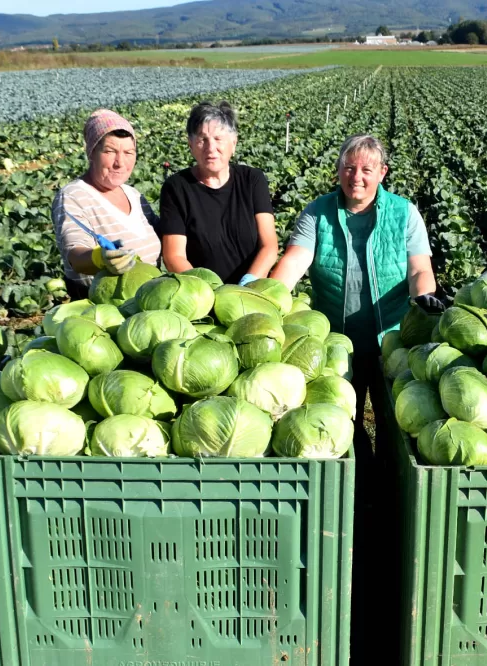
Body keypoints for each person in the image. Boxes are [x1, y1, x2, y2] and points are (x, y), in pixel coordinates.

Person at [269, 134, 440, 662]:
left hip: (390, 337)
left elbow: (418, 267)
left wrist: (425, 298)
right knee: (337, 421)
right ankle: (346, 511)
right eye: (349, 168)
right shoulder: (317, 214)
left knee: (391, 425)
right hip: (333, 345)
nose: (357, 177)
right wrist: (268, 295)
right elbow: (294, 262)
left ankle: (387, 504)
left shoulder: (405, 213)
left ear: (383, 172)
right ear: (339, 171)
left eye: (367, 169)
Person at [158, 101, 278, 286]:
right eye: (202, 139)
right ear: (190, 144)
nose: (210, 148)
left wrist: (249, 283)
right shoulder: (176, 188)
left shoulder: (253, 180)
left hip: (252, 290)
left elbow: (269, 246)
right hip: (200, 295)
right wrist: (206, 292)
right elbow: (174, 256)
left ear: (234, 142)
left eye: (218, 138)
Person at [52, 109, 161, 299]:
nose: (120, 162)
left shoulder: (134, 195)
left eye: (128, 152)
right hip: (104, 308)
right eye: (110, 151)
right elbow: (74, 253)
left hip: (150, 300)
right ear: (92, 153)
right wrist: (99, 258)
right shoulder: (73, 196)